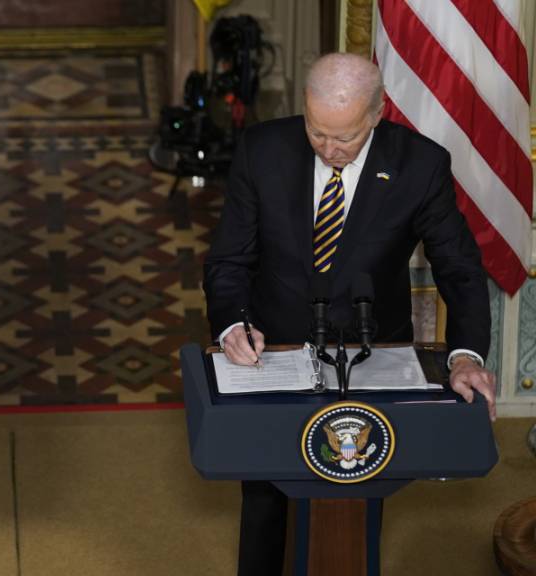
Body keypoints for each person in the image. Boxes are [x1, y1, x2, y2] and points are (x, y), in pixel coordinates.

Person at [203, 52, 496, 575]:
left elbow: (460, 269)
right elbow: (229, 260)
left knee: (357, 481)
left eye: (345, 138)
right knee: (267, 495)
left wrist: (466, 354)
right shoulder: (263, 150)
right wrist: (231, 323)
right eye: (318, 133)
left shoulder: (420, 164)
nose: (329, 149)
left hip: (372, 348)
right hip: (274, 348)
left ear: (378, 113)